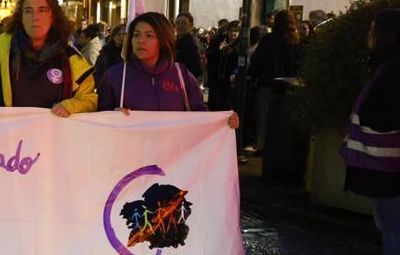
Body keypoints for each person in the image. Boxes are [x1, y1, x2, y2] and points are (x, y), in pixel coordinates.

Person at [343, 9, 400, 255]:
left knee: (390, 220)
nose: (369, 33)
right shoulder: (391, 65)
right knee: (385, 220)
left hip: (384, 159)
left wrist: (372, 121)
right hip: (381, 159)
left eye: (374, 28)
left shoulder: (397, 69)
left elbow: (397, 114)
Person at [0, 0, 96, 116]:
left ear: (53, 16)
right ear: (21, 18)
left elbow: (90, 100)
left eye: (42, 10)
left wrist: (71, 106)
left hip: (53, 138)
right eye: (28, 11)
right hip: (9, 139)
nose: (34, 17)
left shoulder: (70, 58)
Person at [98, 12, 240, 128]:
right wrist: (110, 117)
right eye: (136, 35)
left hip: (174, 158)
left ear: (163, 40)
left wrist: (224, 122)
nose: (140, 40)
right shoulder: (115, 77)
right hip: (131, 159)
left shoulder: (181, 75)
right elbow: (98, 123)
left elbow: (200, 114)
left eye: (149, 35)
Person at [248, 9, 301, 152]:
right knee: (283, 118)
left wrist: (253, 76)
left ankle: (262, 146)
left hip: (268, 85)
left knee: (264, 117)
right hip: (289, 87)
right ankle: (281, 147)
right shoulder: (295, 41)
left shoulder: (268, 39)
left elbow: (257, 61)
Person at [173, 12, 204, 80]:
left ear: (191, 25)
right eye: (178, 23)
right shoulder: (176, 42)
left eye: (184, 23)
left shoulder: (191, 43)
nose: (180, 26)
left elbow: (195, 70)